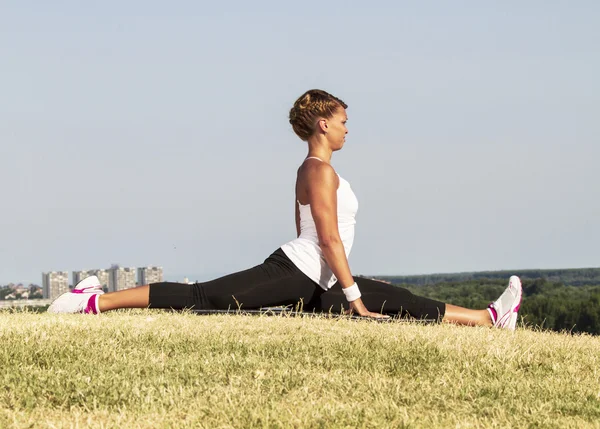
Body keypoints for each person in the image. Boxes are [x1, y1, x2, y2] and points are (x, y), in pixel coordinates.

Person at [48, 89, 522, 329]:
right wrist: (352, 296)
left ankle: (487, 319)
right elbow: (326, 237)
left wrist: (348, 287)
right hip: (297, 270)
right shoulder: (319, 171)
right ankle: (95, 301)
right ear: (322, 123)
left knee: (395, 299)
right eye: (342, 122)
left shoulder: (318, 170)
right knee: (207, 298)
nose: (347, 130)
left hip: (317, 278)